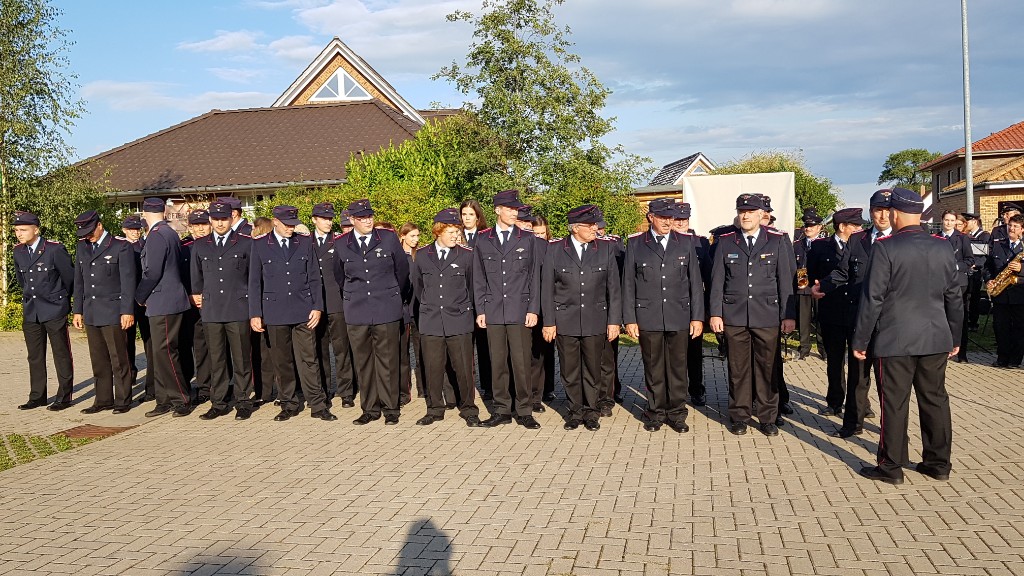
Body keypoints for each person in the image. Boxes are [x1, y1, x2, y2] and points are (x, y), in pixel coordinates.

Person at [852, 187, 961, 485]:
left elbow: (873, 298)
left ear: (895, 213)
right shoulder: (942, 246)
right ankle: (938, 464)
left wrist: (861, 340)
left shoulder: (885, 247)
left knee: (894, 403)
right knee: (935, 400)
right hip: (935, 337)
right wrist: (955, 337)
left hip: (895, 339)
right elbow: (954, 296)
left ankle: (891, 466)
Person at [709, 194, 795, 436]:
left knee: (767, 369)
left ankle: (768, 417)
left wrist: (788, 315)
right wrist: (715, 313)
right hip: (734, 316)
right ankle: (739, 415)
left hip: (767, 315)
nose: (745, 215)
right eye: (741, 211)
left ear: (761, 214)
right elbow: (717, 281)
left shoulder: (776, 241)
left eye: (750, 211)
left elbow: (785, 281)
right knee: (738, 369)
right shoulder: (726, 241)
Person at [623, 198, 705, 433]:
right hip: (648, 316)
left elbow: (695, 283)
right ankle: (655, 412)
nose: (668, 222)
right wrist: (630, 319)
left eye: (671, 217)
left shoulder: (685, 242)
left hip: (679, 315)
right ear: (651, 217)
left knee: (678, 368)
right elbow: (628, 283)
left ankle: (677, 413)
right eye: (663, 217)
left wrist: (697, 317)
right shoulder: (636, 244)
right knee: (654, 367)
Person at [813, 190, 890, 438]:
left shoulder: (902, 239)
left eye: (887, 210)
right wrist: (822, 286)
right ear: (871, 212)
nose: (882, 215)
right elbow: (843, 272)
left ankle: (891, 430)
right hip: (861, 318)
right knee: (858, 375)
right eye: (877, 210)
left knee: (888, 381)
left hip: (891, 321)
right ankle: (852, 424)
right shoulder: (858, 240)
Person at [249, 205, 334, 422]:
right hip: (275, 311)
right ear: (275, 222)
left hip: (303, 310)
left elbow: (314, 277)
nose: (291, 228)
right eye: (287, 224)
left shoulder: (304, 242)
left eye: (293, 224)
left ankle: (317, 404)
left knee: (309, 359)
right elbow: (254, 282)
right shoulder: (260, 244)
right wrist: (255, 313)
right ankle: (288, 403)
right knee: (282, 361)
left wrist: (317, 306)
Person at [542, 204, 622, 431]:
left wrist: (614, 321)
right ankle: (575, 412)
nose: (595, 228)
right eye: (590, 225)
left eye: (595, 225)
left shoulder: (605, 249)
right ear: (575, 228)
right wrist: (549, 322)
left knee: (593, 369)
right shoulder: (555, 249)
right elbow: (547, 289)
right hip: (565, 320)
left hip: (595, 319)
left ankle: (591, 412)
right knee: (570, 371)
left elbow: (614, 289)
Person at [333, 199, 410, 425]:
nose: (368, 221)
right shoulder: (341, 243)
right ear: (352, 220)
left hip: (386, 307)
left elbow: (402, 271)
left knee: (388, 360)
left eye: (370, 216)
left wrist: (391, 294)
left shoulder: (387, 238)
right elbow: (340, 276)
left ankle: (391, 408)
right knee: (363, 362)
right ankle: (370, 408)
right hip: (357, 310)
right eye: (362, 218)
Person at [472, 189, 543, 429]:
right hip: (493, 310)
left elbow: (534, 277)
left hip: (519, 310)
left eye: (516, 209)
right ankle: (501, 410)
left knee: (521, 363)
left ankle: (524, 410)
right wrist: (481, 310)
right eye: (510, 209)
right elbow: (479, 277)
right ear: (497, 210)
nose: (515, 213)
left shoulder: (527, 238)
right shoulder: (483, 239)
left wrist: (533, 309)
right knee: (498, 363)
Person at [410, 208, 484, 427]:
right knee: (432, 368)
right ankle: (434, 409)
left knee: (464, 369)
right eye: (450, 232)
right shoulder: (422, 255)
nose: (455, 236)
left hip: (459, 320)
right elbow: (418, 287)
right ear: (438, 231)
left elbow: (472, 287)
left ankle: (469, 409)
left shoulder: (466, 255)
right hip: (431, 320)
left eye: (457, 231)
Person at [190, 201, 255, 420]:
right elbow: (196, 277)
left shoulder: (245, 243)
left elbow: (253, 278)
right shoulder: (200, 245)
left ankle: (243, 401)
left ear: (231, 218)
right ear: (210, 220)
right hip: (212, 310)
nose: (219, 223)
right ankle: (218, 402)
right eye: (216, 219)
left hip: (238, 308)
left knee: (241, 358)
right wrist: (198, 295)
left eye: (223, 219)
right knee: (216, 359)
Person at [72, 210, 136, 414]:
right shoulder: (82, 246)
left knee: (118, 358)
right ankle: (103, 399)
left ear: (99, 225)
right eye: (84, 234)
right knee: (98, 359)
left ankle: (123, 400)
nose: (87, 236)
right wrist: (77, 310)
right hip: (91, 310)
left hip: (113, 310)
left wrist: (127, 311)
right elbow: (79, 281)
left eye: (90, 232)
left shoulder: (120, 246)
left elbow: (128, 282)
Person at [136, 198, 193, 418]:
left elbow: (153, 272)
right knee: (160, 353)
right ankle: (164, 399)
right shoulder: (168, 232)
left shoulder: (157, 235)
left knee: (166, 352)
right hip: (165, 300)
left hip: (164, 300)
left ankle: (180, 399)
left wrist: (140, 296)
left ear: (145, 213)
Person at [13, 211, 74, 411]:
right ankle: (37, 396)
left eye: (23, 230)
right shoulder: (18, 251)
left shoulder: (54, 249)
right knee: (35, 356)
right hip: (32, 310)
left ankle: (64, 397)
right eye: (16, 230)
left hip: (54, 308)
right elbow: (22, 281)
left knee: (61, 354)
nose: (19, 234)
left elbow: (69, 278)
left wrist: (63, 301)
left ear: (36, 229)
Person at [807, 208, 864, 418]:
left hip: (856, 312)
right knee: (834, 359)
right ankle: (834, 401)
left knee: (859, 362)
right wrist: (814, 288)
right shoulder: (820, 246)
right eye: (855, 225)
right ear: (842, 226)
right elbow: (811, 275)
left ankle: (860, 403)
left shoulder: (863, 245)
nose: (859, 229)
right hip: (831, 311)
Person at [310, 202, 357, 408]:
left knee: (342, 350)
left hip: (337, 302)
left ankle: (346, 391)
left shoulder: (338, 241)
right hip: (315, 305)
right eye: (324, 219)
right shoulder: (305, 242)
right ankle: (324, 390)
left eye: (330, 219)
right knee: (319, 351)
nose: (328, 222)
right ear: (314, 220)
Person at [671, 203, 711, 407]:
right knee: (672, 354)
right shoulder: (666, 242)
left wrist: (708, 310)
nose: (680, 223)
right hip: (670, 306)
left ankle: (696, 389)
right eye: (677, 220)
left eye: (683, 220)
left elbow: (709, 277)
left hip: (693, 306)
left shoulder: (700, 243)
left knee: (694, 352)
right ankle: (674, 392)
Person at [179, 209, 212, 404]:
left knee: (206, 347)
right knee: (187, 346)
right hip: (188, 304)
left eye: (204, 224)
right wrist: (189, 295)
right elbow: (177, 276)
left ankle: (206, 386)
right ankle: (189, 383)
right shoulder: (182, 247)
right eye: (196, 225)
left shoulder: (215, 245)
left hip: (211, 302)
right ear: (190, 227)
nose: (201, 228)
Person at [460, 199, 492, 401]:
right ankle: (465, 389)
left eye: (471, 214)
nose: (467, 218)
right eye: (464, 214)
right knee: (463, 348)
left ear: (478, 217)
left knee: (485, 346)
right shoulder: (455, 236)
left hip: (481, 299)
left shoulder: (485, 237)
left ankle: (489, 386)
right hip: (461, 299)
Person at [120, 213, 153, 400]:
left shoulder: (146, 246)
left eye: (137, 229)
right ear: (124, 230)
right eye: (131, 229)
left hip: (145, 299)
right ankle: (130, 374)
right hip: (128, 301)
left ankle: (152, 378)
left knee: (149, 339)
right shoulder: (120, 247)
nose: (135, 232)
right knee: (127, 341)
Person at [985, 213, 1024, 368]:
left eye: (1015, 226)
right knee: (1000, 327)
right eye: (1010, 225)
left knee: (1019, 328)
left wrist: (1021, 268)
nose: (1011, 229)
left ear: (1022, 229)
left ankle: (1015, 359)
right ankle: (1002, 358)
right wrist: (988, 279)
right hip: (1000, 294)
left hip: (1019, 294)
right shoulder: (998, 244)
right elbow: (988, 266)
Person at [939, 210, 975, 363]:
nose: (949, 223)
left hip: (958, 283)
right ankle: (940, 350)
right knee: (940, 317)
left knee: (958, 318)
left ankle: (961, 353)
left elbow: (970, 260)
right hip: (939, 282)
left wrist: (956, 266)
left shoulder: (962, 238)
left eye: (952, 220)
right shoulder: (935, 238)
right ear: (942, 220)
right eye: (946, 220)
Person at [597, 216, 625, 411]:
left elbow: (620, 278)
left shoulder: (613, 244)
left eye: (601, 228)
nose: (599, 231)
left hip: (609, 308)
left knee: (609, 357)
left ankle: (612, 391)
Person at [249, 216, 277, 405]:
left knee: (272, 353)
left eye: (253, 227)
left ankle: (270, 391)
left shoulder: (263, 248)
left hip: (268, 307)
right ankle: (264, 391)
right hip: (258, 308)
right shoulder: (255, 246)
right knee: (262, 353)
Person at [398, 222, 425, 405]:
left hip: (421, 310)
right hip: (405, 310)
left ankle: (425, 389)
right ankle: (404, 393)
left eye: (417, 236)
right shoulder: (398, 256)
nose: (415, 239)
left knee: (422, 351)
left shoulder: (420, 255)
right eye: (412, 236)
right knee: (403, 354)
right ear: (403, 236)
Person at [793, 208, 825, 361]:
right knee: (803, 319)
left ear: (819, 227)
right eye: (806, 225)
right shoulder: (797, 245)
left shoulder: (825, 244)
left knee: (821, 319)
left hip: (819, 287)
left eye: (811, 226)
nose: (808, 228)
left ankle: (823, 349)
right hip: (803, 286)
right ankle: (804, 348)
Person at [532, 215, 557, 402]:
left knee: (549, 351)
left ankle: (549, 388)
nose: (539, 237)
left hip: (550, 304)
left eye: (542, 233)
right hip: (535, 305)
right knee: (536, 352)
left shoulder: (552, 248)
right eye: (536, 234)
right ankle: (536, 391)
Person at [963, 212, 990, 331]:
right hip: (967, 270)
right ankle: (967, 319)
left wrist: (976, 264)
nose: (965, 224)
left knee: (974, 296)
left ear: (974, 222)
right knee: (966, 297)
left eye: (967, 222)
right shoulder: (966, 236)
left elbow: (985, 256)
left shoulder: (984, 236)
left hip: (977, 271)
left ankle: (973, 322)